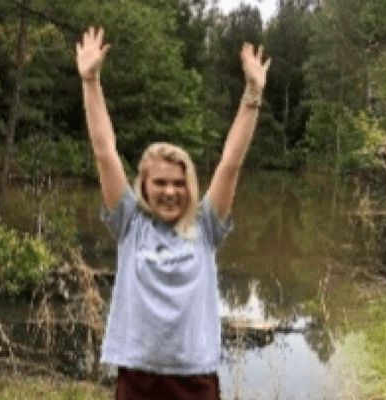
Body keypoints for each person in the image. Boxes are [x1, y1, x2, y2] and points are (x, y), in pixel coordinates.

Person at [76, 26, 270, 399]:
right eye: (160, 183)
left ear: (191, 187)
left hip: (194, 379)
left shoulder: (206, 225)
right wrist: (91, 81)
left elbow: (230, 164)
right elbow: (105, 151)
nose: (169, 191)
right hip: (138, 378)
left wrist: (252, 96)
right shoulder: (129, 224)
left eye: (179, 184)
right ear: (143, 187)